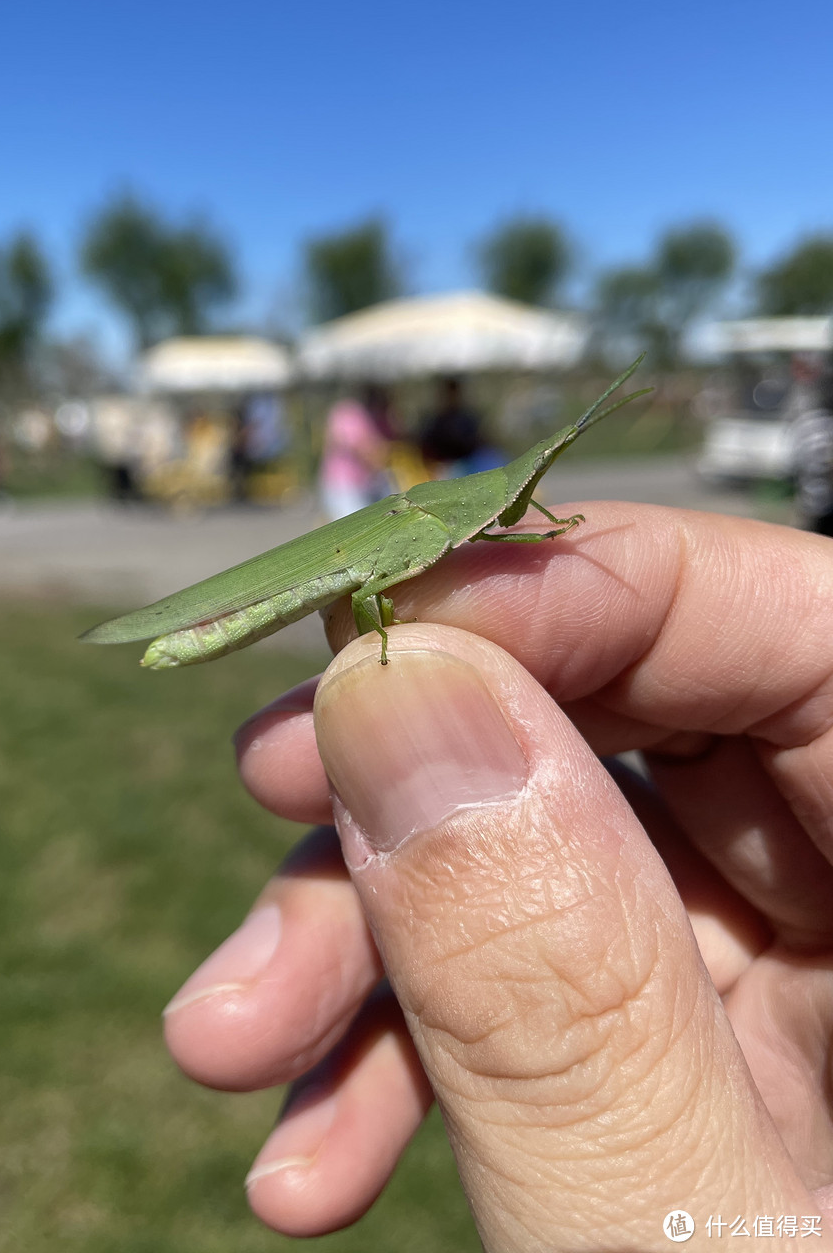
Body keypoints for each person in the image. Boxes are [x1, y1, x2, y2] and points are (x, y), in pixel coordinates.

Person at [164, 504, 833, 1244]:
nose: (526, 503)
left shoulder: (460, 523)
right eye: (518, 495)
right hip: (253, 600)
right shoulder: (425, 525)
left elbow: (427, 565)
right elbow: (364, 597)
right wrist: (384, 644)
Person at [318, 388, 393, 522]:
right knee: (356, 526)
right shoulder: (350, 413)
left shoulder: (371, 415)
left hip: (359, 483)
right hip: (345, 483)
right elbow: (359, 446)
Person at [790, 371, 833, 535]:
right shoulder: (828, 425)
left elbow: (791, 463)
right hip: (827, 506)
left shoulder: (803, 423)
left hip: (806, 502)